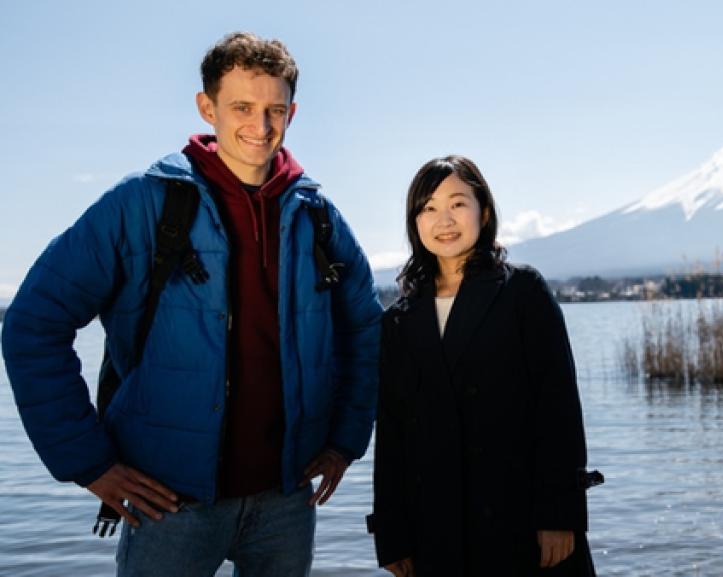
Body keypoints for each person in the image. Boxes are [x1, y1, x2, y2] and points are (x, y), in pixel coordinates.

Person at [1, 32, 381, 576]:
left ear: (293, 113)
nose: (261, 126)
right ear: (208, 108)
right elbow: (32, 324)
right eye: (242, 107)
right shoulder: (142, 203)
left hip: (285, 500)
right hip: (167, 501)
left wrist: (344, 441)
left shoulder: (316, 215)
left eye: (275, 109)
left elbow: (364, 330)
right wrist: (88, 462)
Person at [368, 155, 599, 577]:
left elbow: (558, 411)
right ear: (414, 222)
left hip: (523, 523)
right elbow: (393, 435)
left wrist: (559, 515)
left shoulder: (523, 293)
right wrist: (392, 534)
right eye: (429, 208)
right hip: (435, 530)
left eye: (458, 203)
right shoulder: (398, 320)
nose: (445, 220)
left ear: (484, 211)